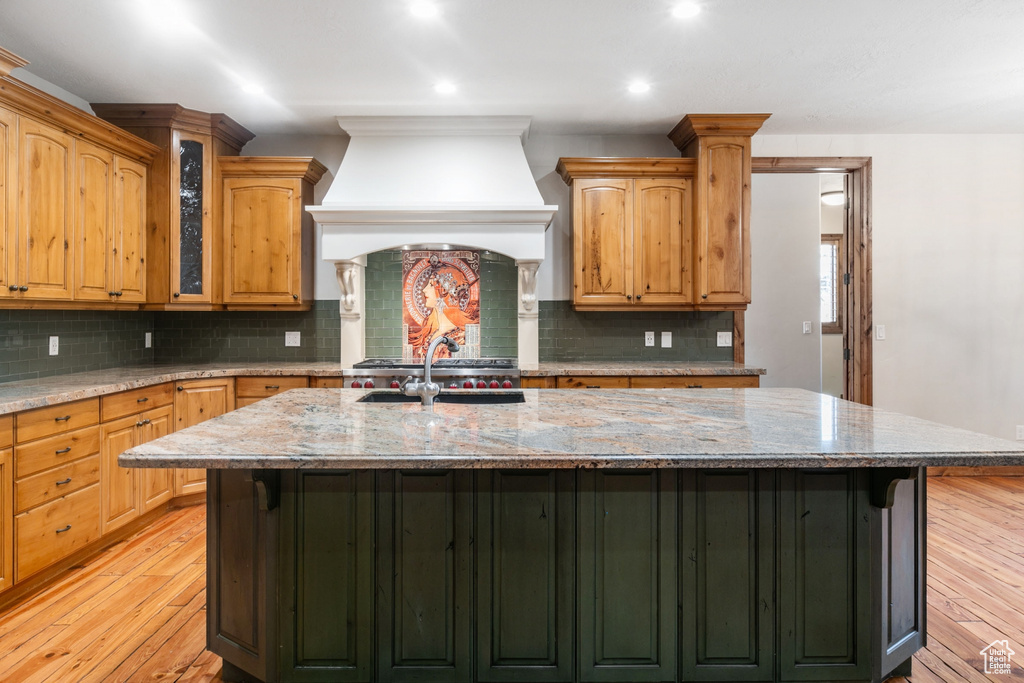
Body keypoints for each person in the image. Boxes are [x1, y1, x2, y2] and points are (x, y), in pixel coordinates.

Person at [409, 266, 477, 359]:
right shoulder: (431, 333)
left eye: (431, 285)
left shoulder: (460, 337)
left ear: (443, 291)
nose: (424, 289)